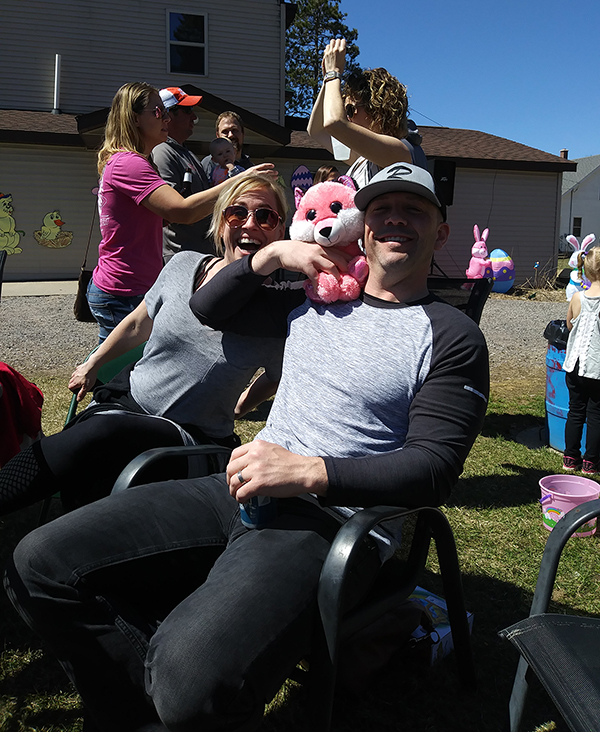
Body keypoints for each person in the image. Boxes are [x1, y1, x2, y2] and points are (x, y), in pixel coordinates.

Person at [5, 164, 489, 732]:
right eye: (381, 209)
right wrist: (273, 255)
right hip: (235, 488)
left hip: (330, 521)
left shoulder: (450, 335)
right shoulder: (312, 300)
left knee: (188, 679)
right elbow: (207, 308)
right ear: (361, 226)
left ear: (441, 232)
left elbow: (434, 469)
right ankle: (152, 710)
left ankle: (171, 700)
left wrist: (306, 471)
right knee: (39, 563)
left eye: (414, 211)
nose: (395, 221)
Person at [0, 174, 289, 516]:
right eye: (237, 213)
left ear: (280, 232)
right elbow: (139, 322)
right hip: (126, 403)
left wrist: (240, 407)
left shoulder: (277, 316)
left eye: (265, 216)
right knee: (98, 448)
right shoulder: (183, 265)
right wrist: (93, 363)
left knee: (104, 434)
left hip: (190, 439)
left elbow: (277, 375)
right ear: (220, 222)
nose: (250, 224)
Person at [88, 82, 275, 342]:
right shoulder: (129, 163)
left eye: (165, 112)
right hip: (124, 289)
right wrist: (238, 181)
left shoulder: (135, 161)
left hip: (132, 285)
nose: (165, 118)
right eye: (157, 112)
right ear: (134, 118)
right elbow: (181, 212)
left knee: (122, 364)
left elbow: (165, 216)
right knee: (121, 367)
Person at [307, 38, 427, 189]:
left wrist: (333, 73)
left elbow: (334, 123)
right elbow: (317, 130)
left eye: (350, 109)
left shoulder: (402, 151)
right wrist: (327, 81)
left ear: (376, 110)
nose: (347, 117)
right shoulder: (365, 158)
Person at [151, 87, 213, 263]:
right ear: (168, 115)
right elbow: (172, 212)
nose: (194, 117)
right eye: (187, 110)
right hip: (180, 259)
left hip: (198, 256)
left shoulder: (186, 153)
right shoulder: (162, 152)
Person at [562, 246, 600, 473]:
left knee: (575, 411)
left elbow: (569, 325)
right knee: (596, 414)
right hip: (596, 367)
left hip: (574, 365)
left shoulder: (577, 297)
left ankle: (570, 457)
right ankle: (591, 461)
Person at [202, 110, 253, 175]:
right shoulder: (209, 164)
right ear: (218, 136)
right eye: (225, 131)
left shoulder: (251, 169)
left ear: (243, 134)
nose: (230, 135)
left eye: (234, 130)